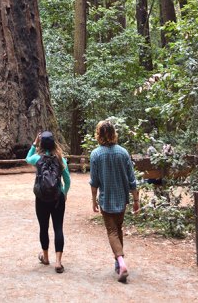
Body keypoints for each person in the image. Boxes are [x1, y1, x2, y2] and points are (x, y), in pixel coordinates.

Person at [89, 120, 139, 283]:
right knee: (117, 229)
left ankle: (121, 262)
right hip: (121, 198)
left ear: (99, 134)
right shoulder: (123, 153)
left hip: (106, 199)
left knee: (112, 231)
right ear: (113, 133)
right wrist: (136, 200)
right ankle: (118, 264)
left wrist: (94, 200)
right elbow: (132, 179)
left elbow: (94, 181)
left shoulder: (96, 154)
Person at [26, 131, 71, 274]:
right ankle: (58, 262)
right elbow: (67, 179)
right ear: (54, 143)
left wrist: (34, 144)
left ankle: (45, 257)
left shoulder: (37, 159)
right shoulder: (60, 159)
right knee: (58, 228)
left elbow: (27, 158)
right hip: (57, 198)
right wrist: (64, 192)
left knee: (43, 227)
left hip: (41, 198)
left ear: (41, 144)